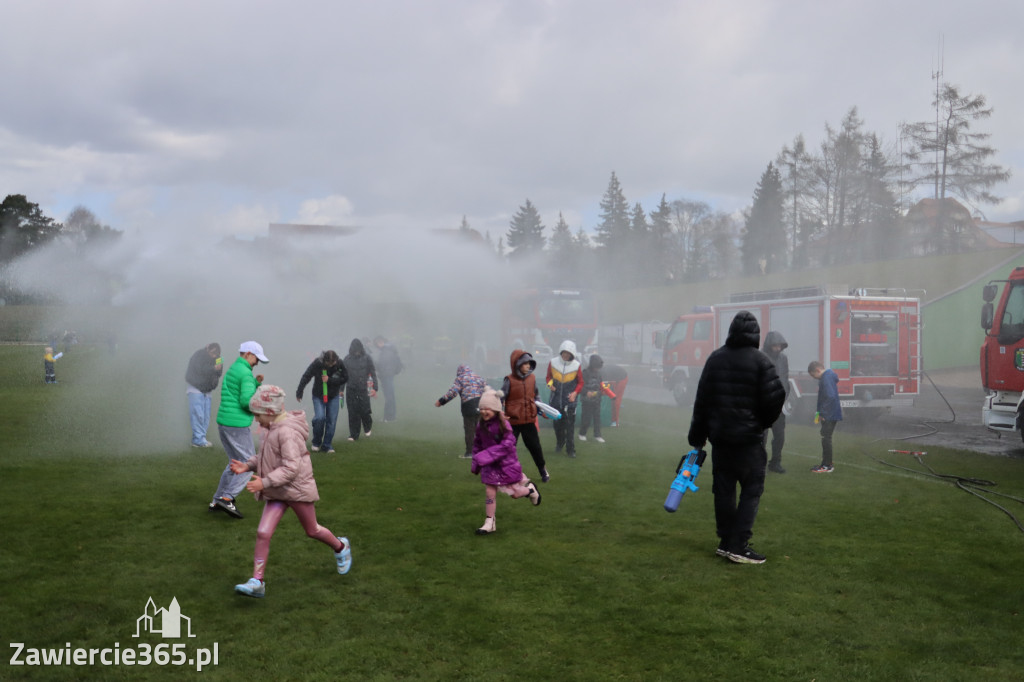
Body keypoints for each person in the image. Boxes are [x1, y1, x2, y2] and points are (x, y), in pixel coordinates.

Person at [231, 385, 352, 598]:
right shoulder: (269, 429)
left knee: (312, 530)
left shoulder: (286, 433)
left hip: (296, 489)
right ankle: (257, 581)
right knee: (263, 532)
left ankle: (341, 547)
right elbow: (266, 457)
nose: (256, 420)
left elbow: (291, 468)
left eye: (257, 415)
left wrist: (264, 482)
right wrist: (247, 465)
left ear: (269, 412)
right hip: (278, 490)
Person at [687, 311, 785, 565]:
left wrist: (698, 436)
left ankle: (725, 540)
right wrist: (763, 423)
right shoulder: (762, 362)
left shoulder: (715, 359)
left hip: (721, 439)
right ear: (755, 334)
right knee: (751, 491)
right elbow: (776, 397)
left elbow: (702, 401)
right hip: (749, 441)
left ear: (731, 331)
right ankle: (739, 544)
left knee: (723, 491)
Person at [209, 341, 268, 519]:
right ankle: (227, 498)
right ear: (248, 354)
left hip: (225, 422)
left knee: (234, 463)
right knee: (248, 464)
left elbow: (238, 393)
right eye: (256, 359)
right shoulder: (245, 373)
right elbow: (245, 401)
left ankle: (217, 499)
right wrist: (262, 405)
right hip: (237, 424)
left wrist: (255, 384)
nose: (257, 362)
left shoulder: (235, 368)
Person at [469, 389, 541, 535]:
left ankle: (530, 490)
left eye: (487, 408)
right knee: (490, 492)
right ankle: (490, 522)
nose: (483, 412)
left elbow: (508, 444)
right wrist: (476, 462)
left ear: (495, 408)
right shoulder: (481, 425)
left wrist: (486, 456)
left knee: (515, 494)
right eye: (481, 408)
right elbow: (477, 444)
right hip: (489, 465)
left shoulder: (504, 425)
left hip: (506, 465)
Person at [500, 349, 550, 482]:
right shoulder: (509, 380)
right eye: (525, 363)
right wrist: (500, 413)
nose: (528, 366)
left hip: (529, 421)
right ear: (517, 364)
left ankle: (542, 470)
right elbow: (500, 398)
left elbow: (536, 396)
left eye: (529, 363)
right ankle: (505, 472)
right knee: (509, 449)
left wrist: (540, 409)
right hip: (513, 422)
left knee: (535, 447)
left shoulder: (532, 378)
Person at [296, 350, 348, 454]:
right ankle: (316, 442)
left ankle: (327, 445)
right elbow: (307, 376)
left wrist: (330, 380)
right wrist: (300, 391)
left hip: (333, 396)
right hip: (318, 395)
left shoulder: (339, 364)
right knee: (320, 418)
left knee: (331, 421)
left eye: (332, 363)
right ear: (325, 361)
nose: (331, 365)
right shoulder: (317, 363)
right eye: (328, 363)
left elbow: (345, 378)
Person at [435, 363, 486, 458]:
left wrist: (441, 401)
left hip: (468, 405)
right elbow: (486, 390)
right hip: (480, 404)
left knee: (469, 430)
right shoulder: (478, 377)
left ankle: (470, 453)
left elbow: (453, 392)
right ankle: (483, 451)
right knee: (481, 429)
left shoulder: (460, 378)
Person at [545, 340, 582, 457]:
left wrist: (575, 393)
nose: (566, 355)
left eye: (568, 353)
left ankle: (571, 450)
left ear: (572, 354)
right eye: (564, 353)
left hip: (570, 402)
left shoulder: (577, 366)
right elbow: (548, 377)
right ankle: (560, 442)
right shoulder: (553, 362)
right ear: (561, 352)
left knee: (570, 426)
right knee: (557, 426)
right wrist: (550, 385)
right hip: (555, 400)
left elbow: (581, 382)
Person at [761, 331, 790, 474]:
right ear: (769, 345)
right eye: (775, 346)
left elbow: (785, 378)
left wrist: (785, 397)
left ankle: (775, 462)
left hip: (779, 405)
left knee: (779, 435)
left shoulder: (783, 359)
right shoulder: (759, 358)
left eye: (780, 346)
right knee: (762, 437)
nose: (778, 348)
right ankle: (759, 464)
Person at [185, 342, 224, 448]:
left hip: (208, 389)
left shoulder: (219, 358)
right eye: (213, 353)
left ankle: (200, 438)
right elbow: (200, 369)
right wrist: (213, 368)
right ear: (208, 349)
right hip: (196, 388)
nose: (215, 355)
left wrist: (219, 368)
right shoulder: (198, 355)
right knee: (198, 414)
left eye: (217, 353)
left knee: (205, 416)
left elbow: (220, 372)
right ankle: (198, 440)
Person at [809, 360, 843, 473]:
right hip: (830, 413)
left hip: (829, 414)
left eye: (814, 375)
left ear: (818, 370)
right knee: (825, 437)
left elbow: (830, 396)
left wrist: (823, 413)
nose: (815, 378)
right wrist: (819, 413)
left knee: (826, 438)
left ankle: (827, 466)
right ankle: (825, 463)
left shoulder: (826, 378)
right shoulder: (828, 376)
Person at [343, 338, 378, 441]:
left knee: (364, 410)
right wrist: (341, 390)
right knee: (353, 412)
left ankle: (367, 426)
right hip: (351, 389)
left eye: (358, 350)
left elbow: (373, 373)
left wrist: (375, 388)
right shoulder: (347, 360)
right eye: (355, 350)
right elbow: (343, 376)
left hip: (364, 388)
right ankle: (354, 435)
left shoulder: (367, 358)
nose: (357, 352)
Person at [577, 354, 615, 444]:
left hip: (597, 400)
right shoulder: (585, 373)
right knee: (586, 418)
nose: (598, 369)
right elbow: (580, 385)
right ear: (592, 365)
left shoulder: (599, 374)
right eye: (596, 367)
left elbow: (601, 385)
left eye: (599, 367)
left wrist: (607, 393)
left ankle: (597, 435)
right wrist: (587, 392)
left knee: (597, 418)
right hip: (586, 400)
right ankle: (582, 434)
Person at [373, 335, 403, 422]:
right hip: (389, 375)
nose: (377, 345)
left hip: (386, 376)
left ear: (381, 342)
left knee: (389, 397)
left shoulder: (386, 351)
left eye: (378, 343)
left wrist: (377, 368)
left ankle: (388, 417)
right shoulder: (389, 350)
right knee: (390, 396)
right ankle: (391, 416)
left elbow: (384, 365)